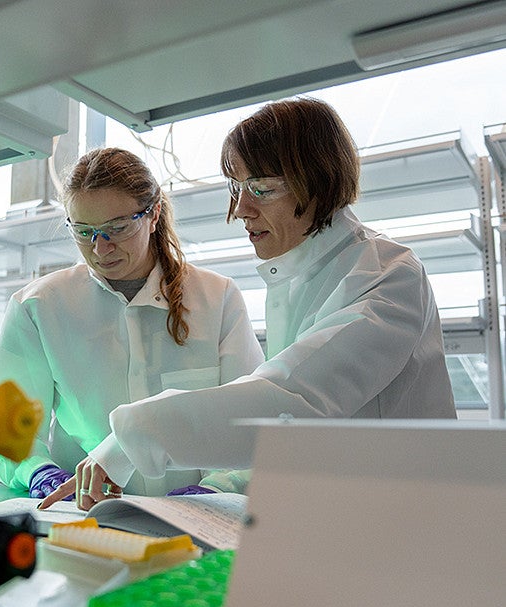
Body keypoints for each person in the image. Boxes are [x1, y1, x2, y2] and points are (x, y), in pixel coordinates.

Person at [39, 97, 456, 512]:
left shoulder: (388, 275)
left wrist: (129, 441)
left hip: (402, 520)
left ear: (320, 180)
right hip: (337, 518)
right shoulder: (300, 279)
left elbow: (291, 397)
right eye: (236, 187)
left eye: (261, 188)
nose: (240, 209)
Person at [0, 147, 265, 499]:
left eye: (117, 228)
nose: (101, 249)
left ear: (154, 214)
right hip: (85, 512)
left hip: (198, 517)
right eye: (84, 232)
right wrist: (38, 471)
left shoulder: (217, 297)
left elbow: (249, 424)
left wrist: (214, 490)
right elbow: (5, 436)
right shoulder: (38, 307)